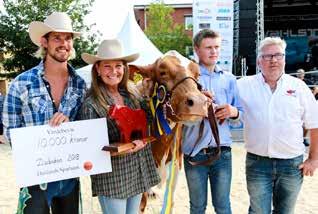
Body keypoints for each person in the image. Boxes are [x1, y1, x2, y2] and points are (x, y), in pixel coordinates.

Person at [2, 12, 86, 214]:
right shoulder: (22, 83)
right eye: (57, 37)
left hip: (69, 177)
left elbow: (86, 128)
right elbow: (10, 133)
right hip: (35, 176)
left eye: (68, 38)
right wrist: (42, 141)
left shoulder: (80, 84)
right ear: (44, 42)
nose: (63, 43)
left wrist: (71, 128)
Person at [78, 39, 160, 214]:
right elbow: (90, 148)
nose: (113, 71)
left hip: (137, 170)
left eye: (118, 66)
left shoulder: (133, 94)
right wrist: (124, 148)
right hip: (113, 177)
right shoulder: (91, 104)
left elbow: (149, 120)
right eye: (107, 66)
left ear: (125, 68)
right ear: (97, 70)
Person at [237, 37, 318, 214]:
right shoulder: (243, 85)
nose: (273, 60)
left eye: (278, 55)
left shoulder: (299, 87)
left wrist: (313, 159)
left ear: (284, 59)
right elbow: (221, 102)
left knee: (285, 212)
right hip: (257, 163)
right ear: (259, 61)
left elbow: (314, 123)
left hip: (292, 165)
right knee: (259, 211)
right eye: (267, 56)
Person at [182, 29, 242, 214]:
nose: (214, 51)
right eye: (208, 47)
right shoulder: (187, 80)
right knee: (197, 207)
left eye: (216, 47)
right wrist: (197, 104)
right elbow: (179, 118)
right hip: (194, 151)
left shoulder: (230, 79)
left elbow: (241, 118)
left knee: (223, 206)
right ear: (197, 50)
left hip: (222, 152)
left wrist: (233, 112)